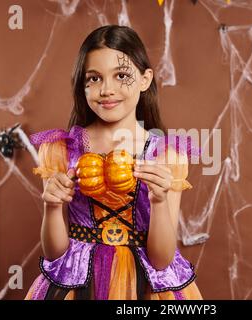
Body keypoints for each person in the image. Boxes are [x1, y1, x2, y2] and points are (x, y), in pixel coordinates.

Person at [24, 25, 202, 300]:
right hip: (77, 282)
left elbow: (162, 259)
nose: (107, 89)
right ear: (82, 85)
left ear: (144, 79)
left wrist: (158, 201)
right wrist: (51, 205)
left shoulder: (167, 156)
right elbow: (55, 253)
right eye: (94, 78)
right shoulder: (60, 150)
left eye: (121, 76)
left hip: (144, 286)